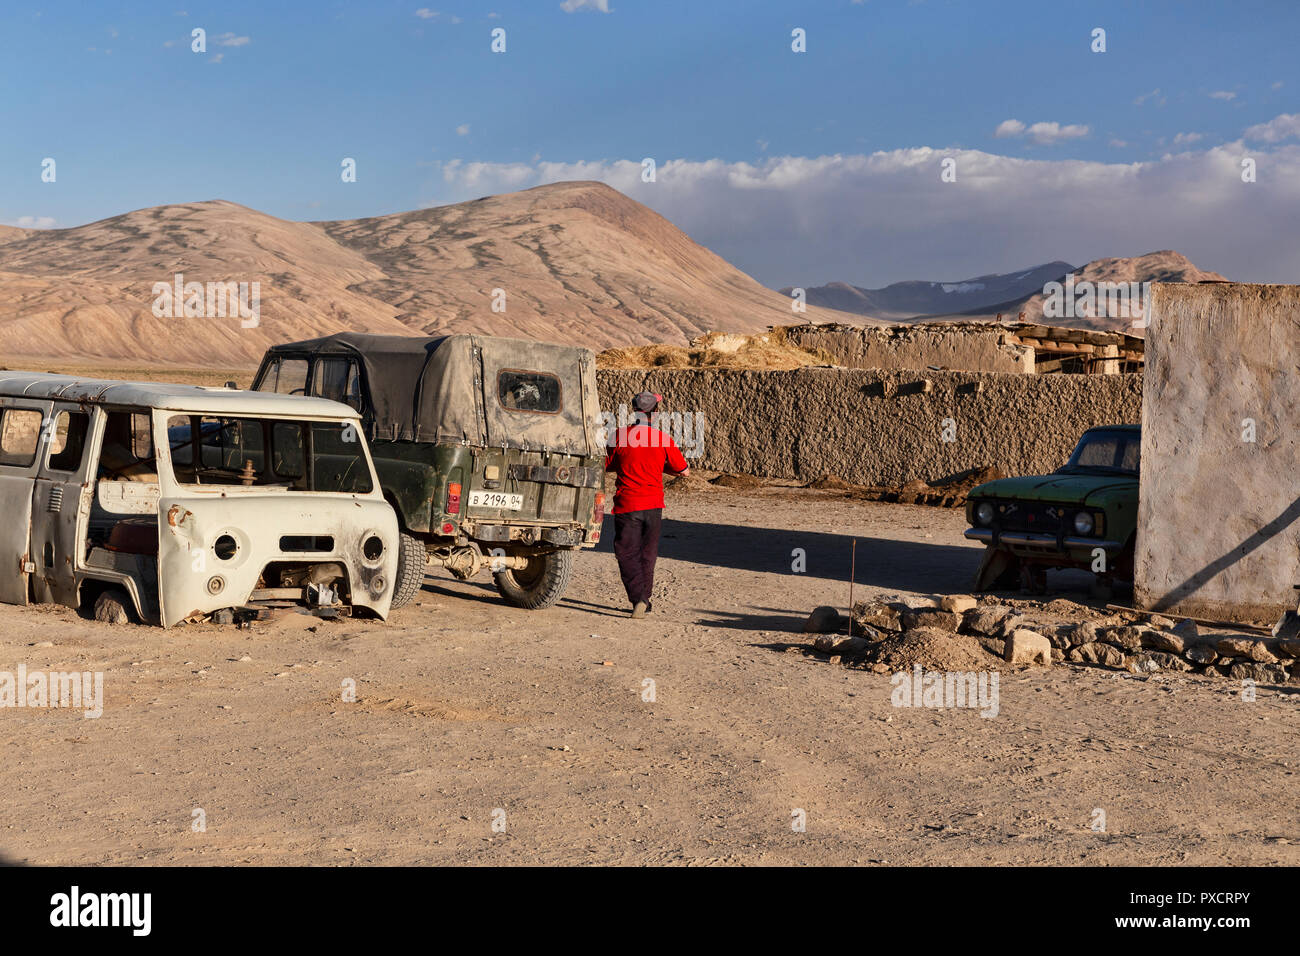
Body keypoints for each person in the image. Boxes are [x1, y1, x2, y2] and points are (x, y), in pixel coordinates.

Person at [604, 391, 690, 618]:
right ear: (656, 412)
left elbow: (606, 464)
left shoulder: (619, 436)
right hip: (653, 505)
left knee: (626, 552)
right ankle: (645, 598)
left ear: (633, 410)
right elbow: (684, 471)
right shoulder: (663, 439)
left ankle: (638, 597)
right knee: (647, 553)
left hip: (627, 505)